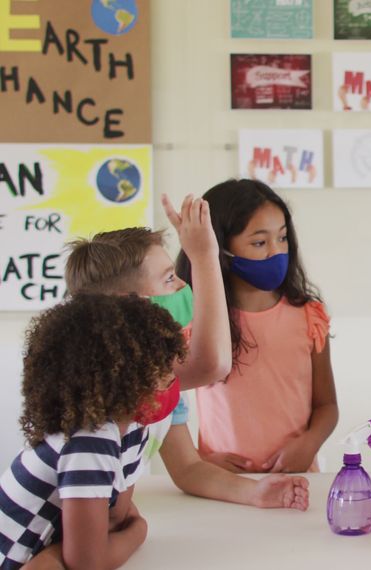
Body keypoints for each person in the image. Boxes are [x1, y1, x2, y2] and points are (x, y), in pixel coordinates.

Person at [63, 195, 310, 509]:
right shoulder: (120, 375)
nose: (182, 285)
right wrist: (204, 255)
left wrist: (256, 493)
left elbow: (188, 469)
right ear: (130, 303)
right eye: (169, 278)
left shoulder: (163, 375)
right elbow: (213, 364)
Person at [0, 294, 186, 569]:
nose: (171, 378)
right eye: (160, 370)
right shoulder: (89, 438)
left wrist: (64, 552)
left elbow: (115, 519)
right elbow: (88, 563)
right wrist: (139, 531)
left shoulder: (132, 428)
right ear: (120, 375)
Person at [177, 179, 338, 473]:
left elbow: (327, 405)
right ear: (220, 247)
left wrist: (309, 443)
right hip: (224, 484)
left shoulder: (309, 316)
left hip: (296, 479)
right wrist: (200, 459)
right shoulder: (196, 323)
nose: (276, 252)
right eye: (259, 243)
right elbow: (163, 403)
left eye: (283, 238)